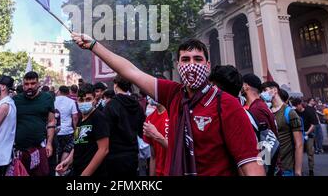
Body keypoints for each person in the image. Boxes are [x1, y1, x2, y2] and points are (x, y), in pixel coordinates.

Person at [72, 33, 264, 176]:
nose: (191, 65)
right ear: (179, 65)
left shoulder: (227, 104)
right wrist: (94, 45)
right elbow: (131, 71)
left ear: (207, 65)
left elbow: (251, 164)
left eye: (197, 59)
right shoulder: (174, 94)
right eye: (185, 60)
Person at [56, 85, 109, 176]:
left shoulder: (98, 117)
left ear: (94, 100)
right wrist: (67, 161)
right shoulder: (81, 119)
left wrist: (86, 173)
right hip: (78, 169)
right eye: (81, 100)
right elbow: (78, 143)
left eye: (88, 99)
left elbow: (103, 149)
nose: (84, 103)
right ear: (77, 101)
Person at [13, 71, 56, 176]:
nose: (29, 87)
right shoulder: (16, 100)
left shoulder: (47, 98)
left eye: (33, 83)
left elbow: (51, 121)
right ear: (23, 85)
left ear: (38, 84)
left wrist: (49, 144)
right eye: (26, 84)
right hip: (19, 149)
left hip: (39, 147)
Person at [103, 76, 145, 176]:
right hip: (132, 155)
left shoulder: (111, 105)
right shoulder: (137, 105)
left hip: (114, 155)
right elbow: (141, 130)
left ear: (116, 85)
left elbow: (105, 131)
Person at [261, 81, 303, 176]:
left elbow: (299, 144)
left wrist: (298, 170)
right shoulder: (268, 112)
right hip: (272, 168)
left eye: (265, 90)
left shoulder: (289, 112)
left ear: (275, 90)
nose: (263, 93)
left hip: (286, 168)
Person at [54, 85, 78, 173]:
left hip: (55, 131)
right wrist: (76, 131)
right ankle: (61, 169)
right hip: (68, 131)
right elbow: (75, 117)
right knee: (67, 149)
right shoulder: (71, 102)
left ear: (59, 91)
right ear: (68, 93)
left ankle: (55, 169)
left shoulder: (53, 101)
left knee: (57, 150)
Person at [143, 98, 168, 176]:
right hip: (158, 172)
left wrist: (156, 135)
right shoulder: (149, 119)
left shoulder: (175, 114)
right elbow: (153, 156)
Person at [293, 98, 317, 176]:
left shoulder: (308, 112)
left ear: (301, 104)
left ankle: (311, 170)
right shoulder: (294, 112)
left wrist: (307, 133)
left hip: (308, 135)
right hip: (299, 135)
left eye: (297, 105)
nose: (296, 107)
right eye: (295, 106)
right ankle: (300, 170)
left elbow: (313, 124)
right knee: (299, 153)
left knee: (310, 153)